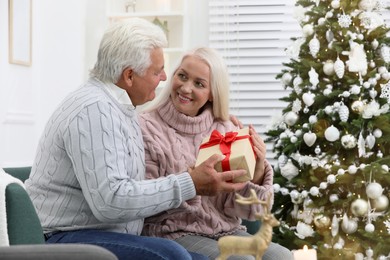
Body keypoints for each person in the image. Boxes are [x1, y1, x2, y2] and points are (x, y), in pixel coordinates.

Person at [25, 18, 249, 260]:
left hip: (101, 234)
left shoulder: (119, 107)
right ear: (129, 76)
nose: (164, 77)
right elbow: (110, 201)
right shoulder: (94, 111)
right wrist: (190, 183)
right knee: (173, 255)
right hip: (64, 236)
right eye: (157, 71)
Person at [139, 47, 293, 260]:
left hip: (225, 230)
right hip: (172, 233)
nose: (185, 88)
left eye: (199, 83)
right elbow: (146, 202)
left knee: (282, 257)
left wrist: (257, 170)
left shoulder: (226, 128)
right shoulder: (146, 127)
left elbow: (253, 212)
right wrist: (192, 183)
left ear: (212, 93)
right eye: (182, 76)